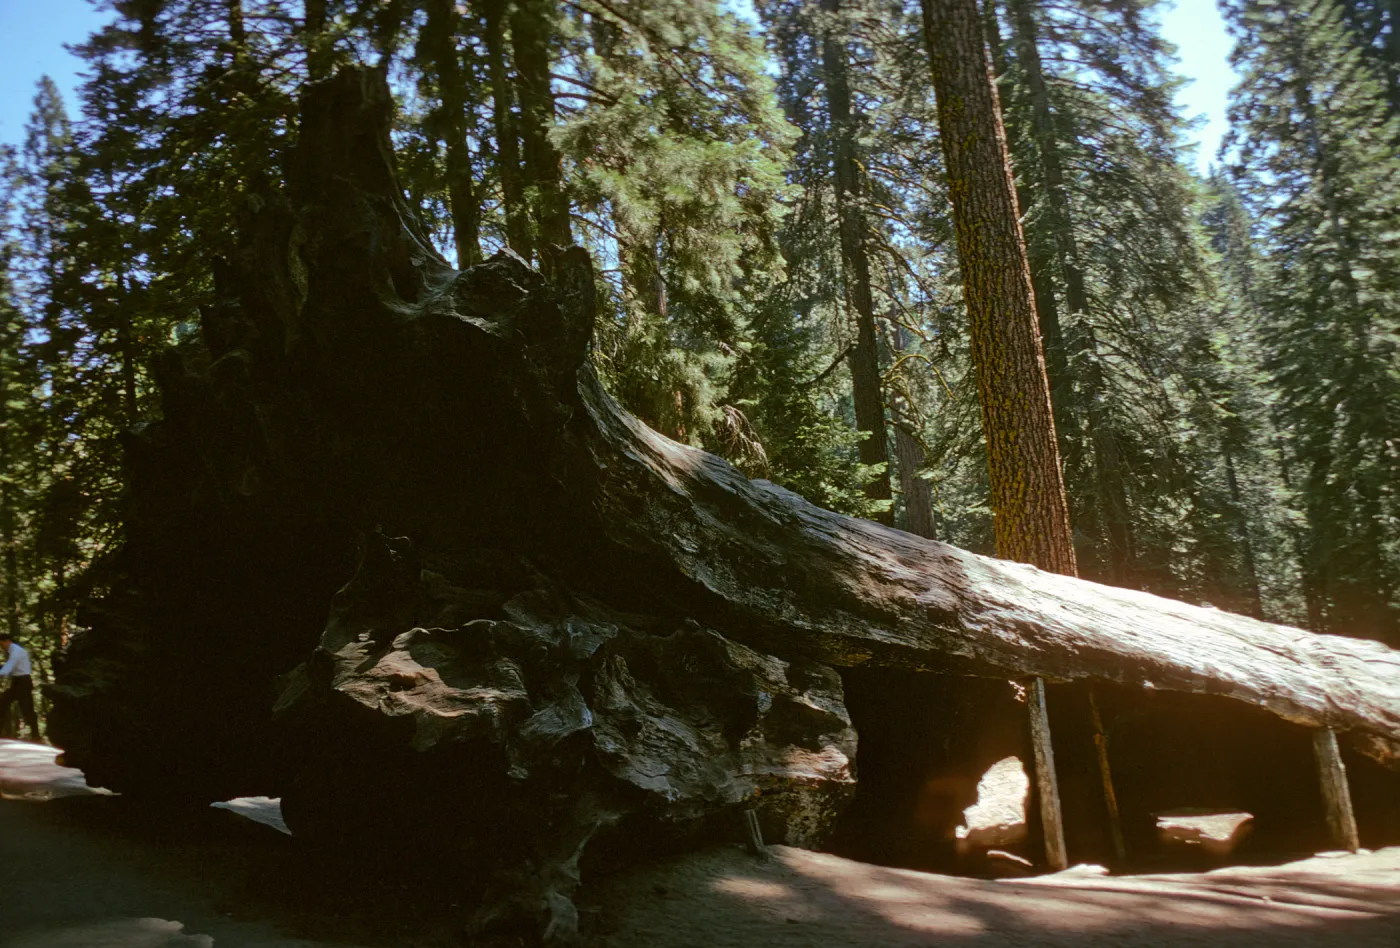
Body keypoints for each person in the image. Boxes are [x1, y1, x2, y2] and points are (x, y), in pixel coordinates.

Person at [0, 632, 41, 742]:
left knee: (27, 708)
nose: (2, 647)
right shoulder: (13, 651)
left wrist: (1, 670)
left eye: (2, 644)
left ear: (7, 641)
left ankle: (36, 735)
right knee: (3, 703)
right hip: (17, 681)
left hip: (23, 682)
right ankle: (36, 735)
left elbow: (8, 668)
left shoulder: (16, 651)